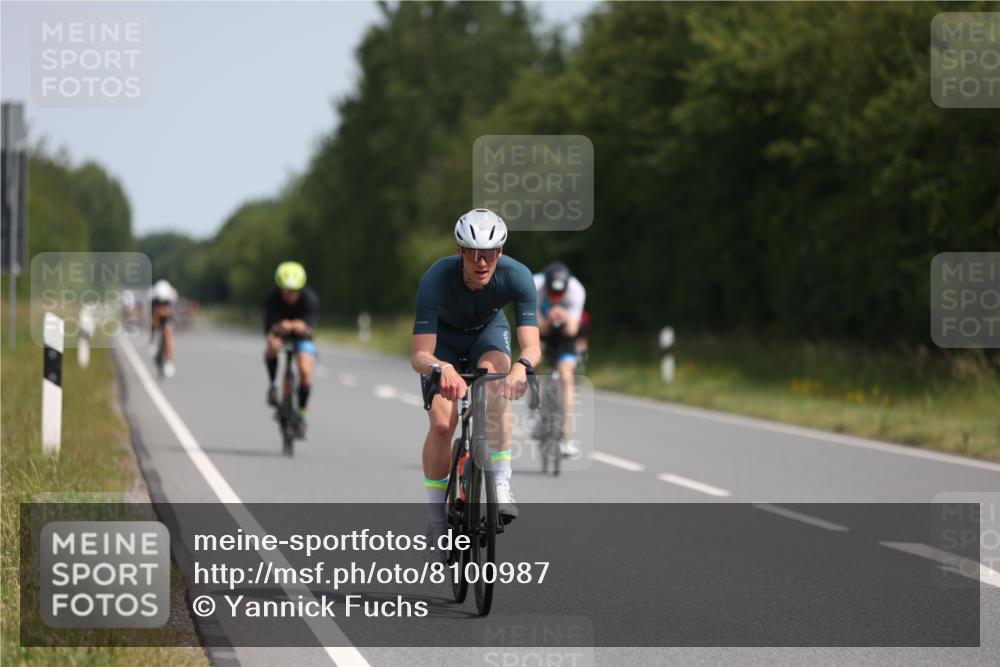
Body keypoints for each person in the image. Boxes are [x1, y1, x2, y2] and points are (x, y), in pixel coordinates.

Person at [411, 209, 541, 553]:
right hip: (444, 343)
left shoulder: (518, 276)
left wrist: (521, 366)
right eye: (473, 253)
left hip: (488, 334)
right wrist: (441, 367)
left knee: (496, 387)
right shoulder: (435, 279)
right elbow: (419, 356)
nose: (482, 262)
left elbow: (531, 345)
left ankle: (501, 484)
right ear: (460, 251)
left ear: (500, 252)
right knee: (442, 425)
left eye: (490, 254)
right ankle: (437, 519)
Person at [533, 261, 586, 457]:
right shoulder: (534, 286)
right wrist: (548, 321)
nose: (556, 298)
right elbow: (535, 328)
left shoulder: (576, 290)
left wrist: (563, 317)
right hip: (542, 329)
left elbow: (572, 329)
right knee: (534, 357)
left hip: (565, 334)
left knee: (566, 376)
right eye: (552, 294)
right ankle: (534, 407)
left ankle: (566, 437)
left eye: (559, 295)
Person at [264, 261, 319, 438]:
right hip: (280, 332)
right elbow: (269, 329)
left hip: (302, 336)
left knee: (304, 370)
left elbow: (310, 329)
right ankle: (273, 385)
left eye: (294, 292)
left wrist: (299, 326)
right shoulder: (272, 298)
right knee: (272, 345)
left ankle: (301, 414)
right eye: (285, 291)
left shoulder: (309, 299)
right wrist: (282, 326)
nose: (289, 295)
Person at [149, 279, 178, 377]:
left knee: (168, 332)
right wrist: (155, 319)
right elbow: (151, 313)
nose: (161, 303)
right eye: (160, 301)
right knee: (153, 322)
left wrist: (166, 313)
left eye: (163, 302)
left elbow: (172, 313)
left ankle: (169, 361)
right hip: (156, 313)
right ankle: (152, 341)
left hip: (168, 316)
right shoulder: (152, 295)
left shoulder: (172, 296)